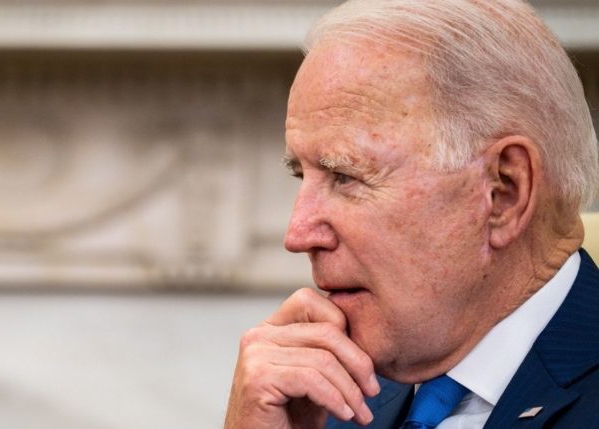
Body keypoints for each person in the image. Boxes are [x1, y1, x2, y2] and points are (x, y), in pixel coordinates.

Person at [223, 0, 599, 428]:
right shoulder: (325, 403)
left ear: (503, 192)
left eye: (344, 176)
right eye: (300, 175)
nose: (298, 234)